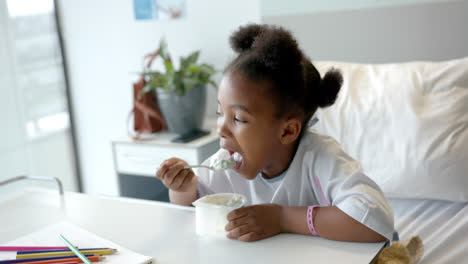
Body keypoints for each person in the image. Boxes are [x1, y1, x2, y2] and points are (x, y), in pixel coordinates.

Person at [156, 24, 394, 243]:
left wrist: (282, 219)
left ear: (288, 131)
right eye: (220, 113)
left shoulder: (319, 157)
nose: (221, 128)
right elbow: (191, 210)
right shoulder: (226, 164)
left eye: (238, 118)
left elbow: (375, 219)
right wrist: (182, 189)